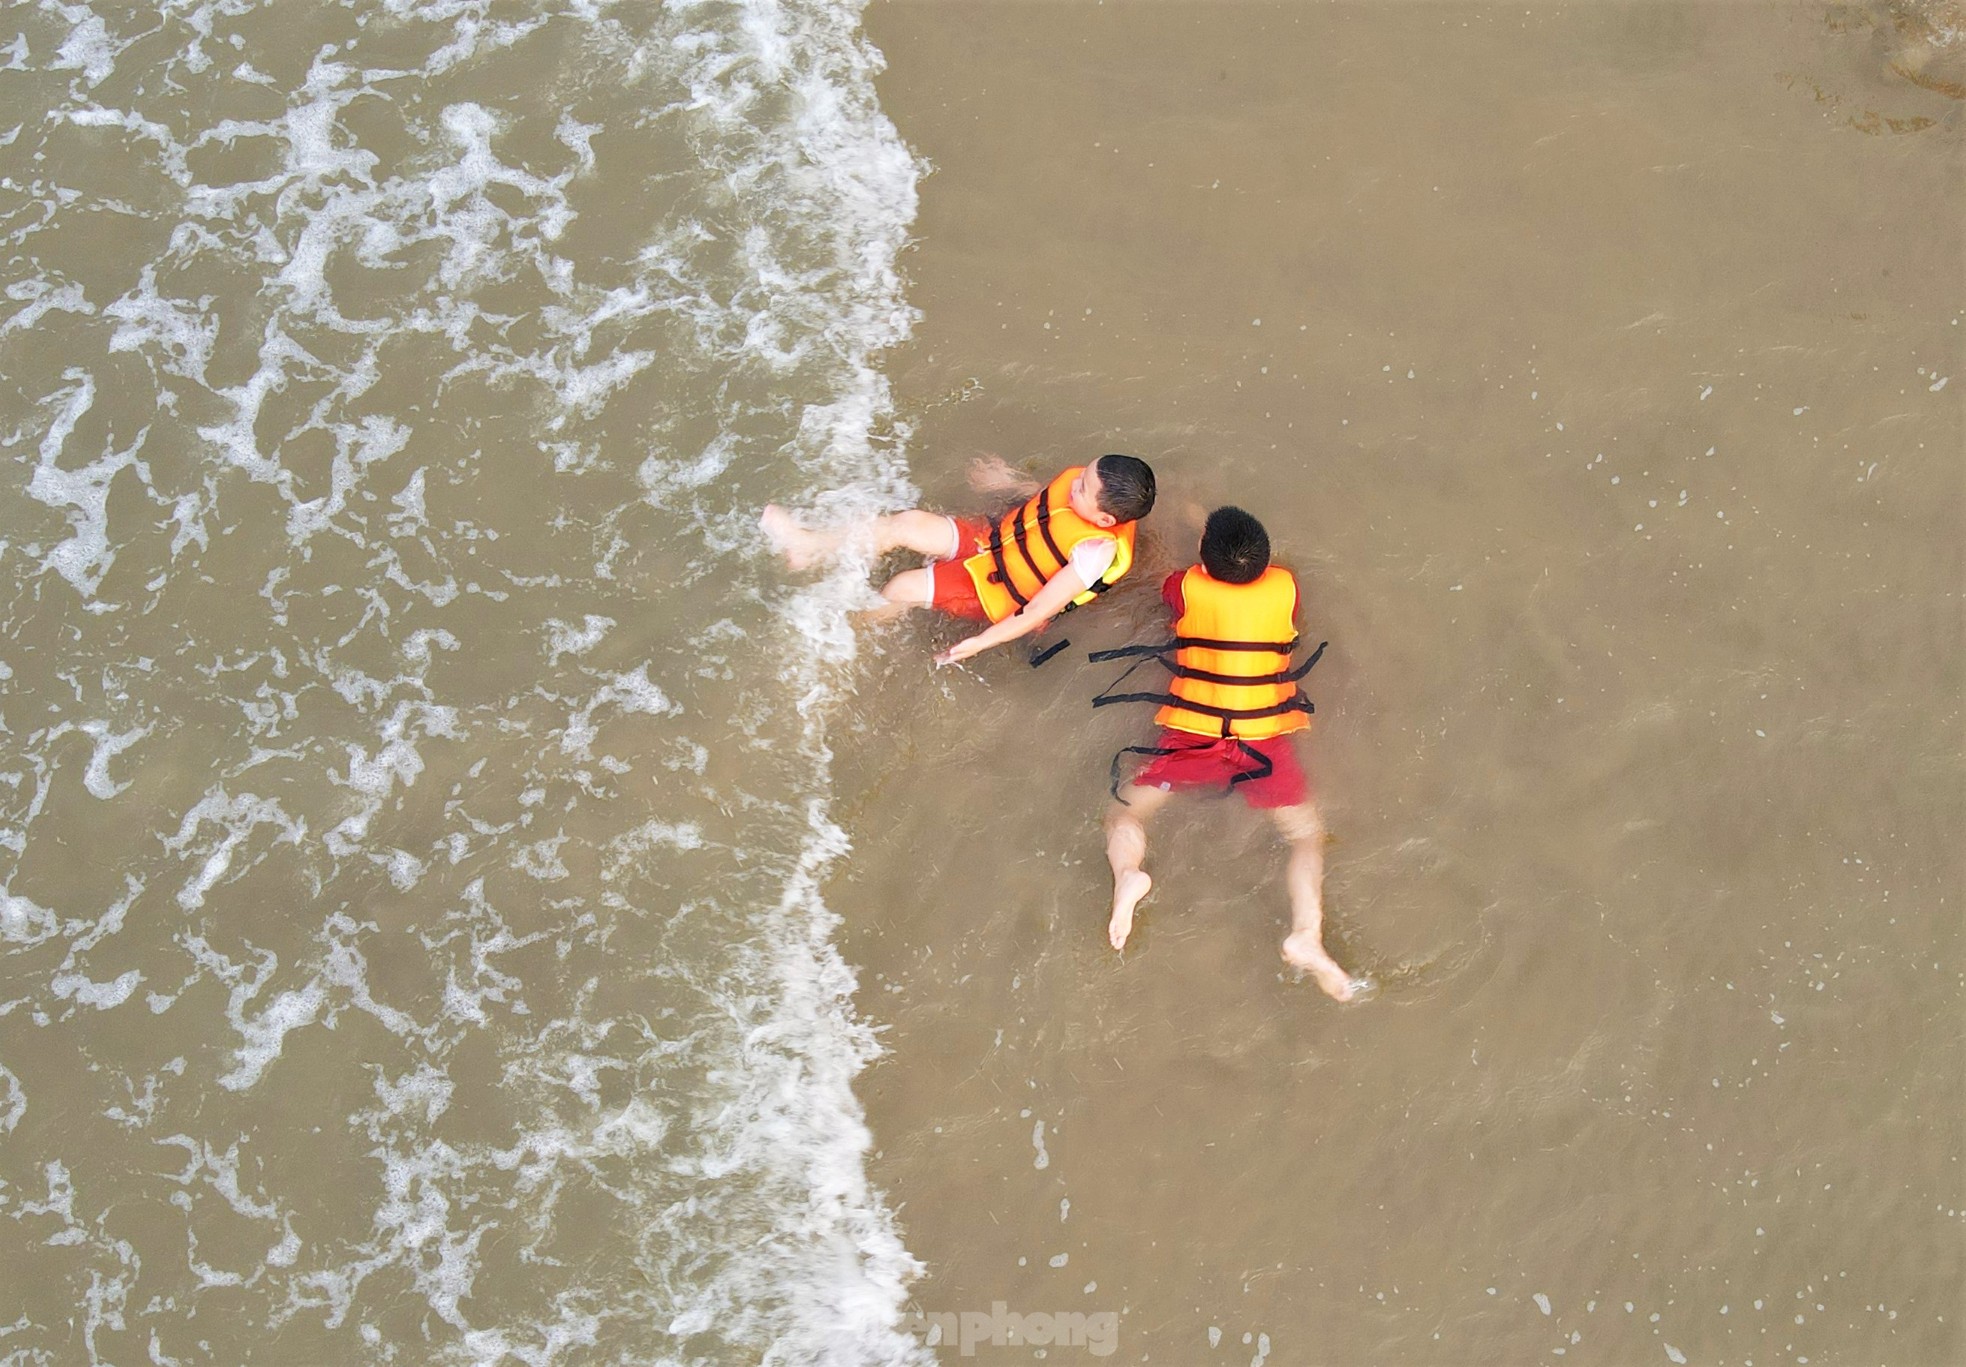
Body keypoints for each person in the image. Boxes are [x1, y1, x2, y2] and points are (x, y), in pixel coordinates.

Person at [1093, 506, 1362, 1002]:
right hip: (1261, 743)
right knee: (1306, 836)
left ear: (1202, 557)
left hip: (1194, 735)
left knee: (1124, 815)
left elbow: (1172, 591)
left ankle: (1129, 874)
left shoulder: (1186, 585)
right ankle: (1306, 932)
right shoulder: (1287, 585)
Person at [760, 453, 1157, 665]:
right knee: (907, 524)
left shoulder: (1096, 553)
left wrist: (980, 643)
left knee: (901, 588)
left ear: (1105, 520)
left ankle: (842, 638)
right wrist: (1008, 481)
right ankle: (809, 546)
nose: (1073, 484)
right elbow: (1052, 504)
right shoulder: (1083, 497)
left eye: (1083, 488)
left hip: (996, 592)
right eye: (1081, 476)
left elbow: (1037, 610)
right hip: (993, 540)